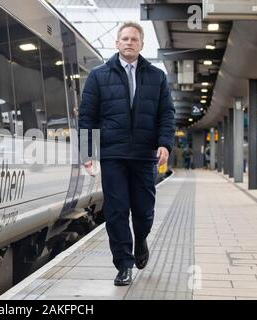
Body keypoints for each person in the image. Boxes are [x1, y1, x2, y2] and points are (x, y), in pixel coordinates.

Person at [78, 22, 175, 286]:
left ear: (142, 44)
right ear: (117, 43)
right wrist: (87, 152)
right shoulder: (98, 76)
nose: (129, 42)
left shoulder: (157, 77)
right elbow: (87, 116)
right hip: (113, 155)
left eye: (134, 39)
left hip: (144, 155)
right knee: (117, 211)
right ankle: (123, 264)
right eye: (124, 38)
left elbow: (166, 114)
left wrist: (165, 143)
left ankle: (140, 238)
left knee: (144, 211)